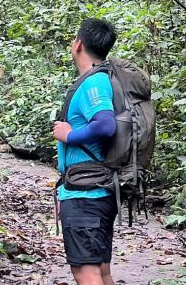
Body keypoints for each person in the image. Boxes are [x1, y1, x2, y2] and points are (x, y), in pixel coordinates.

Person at [53, 18, 118, 285]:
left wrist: (70, 134)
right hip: (96, 191)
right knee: (101, 270)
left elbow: (105, 124)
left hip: (86, 194)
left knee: (86, 272)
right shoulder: (97, 79)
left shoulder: (93, 83)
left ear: (78, 43)